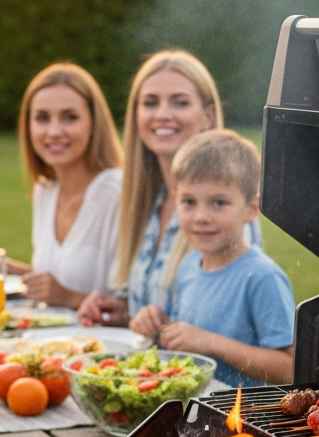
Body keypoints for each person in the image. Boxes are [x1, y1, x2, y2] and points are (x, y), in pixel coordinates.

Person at [77, 49, 262, 327]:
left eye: (180, 103)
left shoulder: (227, 213)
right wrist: (121, 313)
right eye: (150, 103)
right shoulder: (150, 200)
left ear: (208, 116)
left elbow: (235, 326)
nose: (163, 114)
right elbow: (157, 311)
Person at [130, 130, 295, 386]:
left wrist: (211, 342)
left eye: (218, 203)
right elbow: (190, 334)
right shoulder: (189, 267)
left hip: (238, 419)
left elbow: (288, 369)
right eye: (189, 202)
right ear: (176, 201)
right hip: (191, 410)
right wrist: (160, 324)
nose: (201, 217)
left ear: (251, 209)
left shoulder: (262, 277)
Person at [7, 63, 124, 307]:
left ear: (94, 124)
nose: (54, 131)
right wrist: (21, 274)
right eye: (42, 118)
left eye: (70, 118)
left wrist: (68, 298)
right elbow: (62, 279)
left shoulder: (116, 192)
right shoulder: (45, 190)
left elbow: (134, 306)